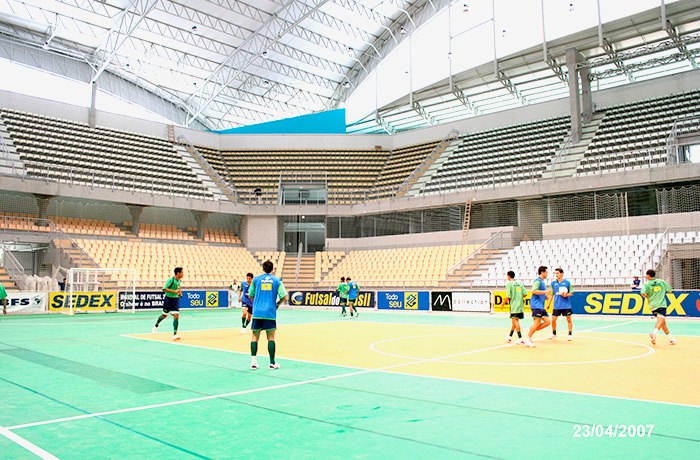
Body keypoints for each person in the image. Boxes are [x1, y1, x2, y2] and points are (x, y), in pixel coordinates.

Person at [248, 260, 287, 370]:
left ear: (263, 268)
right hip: (270, 312)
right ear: (272, 269)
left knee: (255, 337)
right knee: (271, 338)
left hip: (257, 313)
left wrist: (257, 301)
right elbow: (284, 296)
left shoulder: (256, 280)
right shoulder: (277, 281)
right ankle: (272, 363)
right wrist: (277, 305)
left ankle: (254, 363)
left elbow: (251, 295)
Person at [641, 269, 677, 345]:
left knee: (662, 322)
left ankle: (671, 339)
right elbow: (669, 290)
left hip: (653, 305)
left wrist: (648, 296)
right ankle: (654, 333)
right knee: (661, 321)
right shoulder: (661, 282)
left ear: (648, 275)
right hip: (661, 304)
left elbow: (643, 293)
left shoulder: (646, 284)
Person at [524, 266, 552, 348]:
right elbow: (534, 291)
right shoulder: (538, 281)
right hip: (536, 305)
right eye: (546, 272)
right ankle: (528, 338)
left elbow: (542, 294)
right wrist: (546, 291)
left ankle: (530, 333)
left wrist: (547, 297)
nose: (547, 273)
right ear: (542, 272)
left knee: (547, 322)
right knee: (537, 322)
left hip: (541, 306)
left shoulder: (542, 282)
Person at [152, 267, 183, 340]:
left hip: (175, 300)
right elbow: (164, 289)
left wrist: (179, 293)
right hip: (168, 300)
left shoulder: (179, 281)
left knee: (176, 315)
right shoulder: (171, 280)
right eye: (182, 272)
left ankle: (175, 334)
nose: (183, 274)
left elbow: (178, 289)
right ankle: (156, 325)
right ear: (178, 273)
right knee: (164, 316)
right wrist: (174, 291)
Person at [550, 267, 574, 341]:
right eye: (555, 273)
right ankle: (554, 333)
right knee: (553, 320)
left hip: (566, 305)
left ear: (561, 273)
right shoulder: (553, 283)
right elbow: (552, 294)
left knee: (569, 319)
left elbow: (571, 293)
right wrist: (548, 304)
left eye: (557, 273)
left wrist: (566, 295)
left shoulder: (567, 282)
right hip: (557, 305)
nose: (556, 274)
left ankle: (570, 334)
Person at [505, 271, 526, 344]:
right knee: (514, 321)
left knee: (515, 321)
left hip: (514, 306)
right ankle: (509, 337)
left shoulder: (509, 284)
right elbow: (525, 294)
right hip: (520, 305)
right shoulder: (520, 283)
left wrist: (502, 304)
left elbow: (508, 296)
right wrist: (519, 298)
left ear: (508, 276)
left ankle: (520, 338)